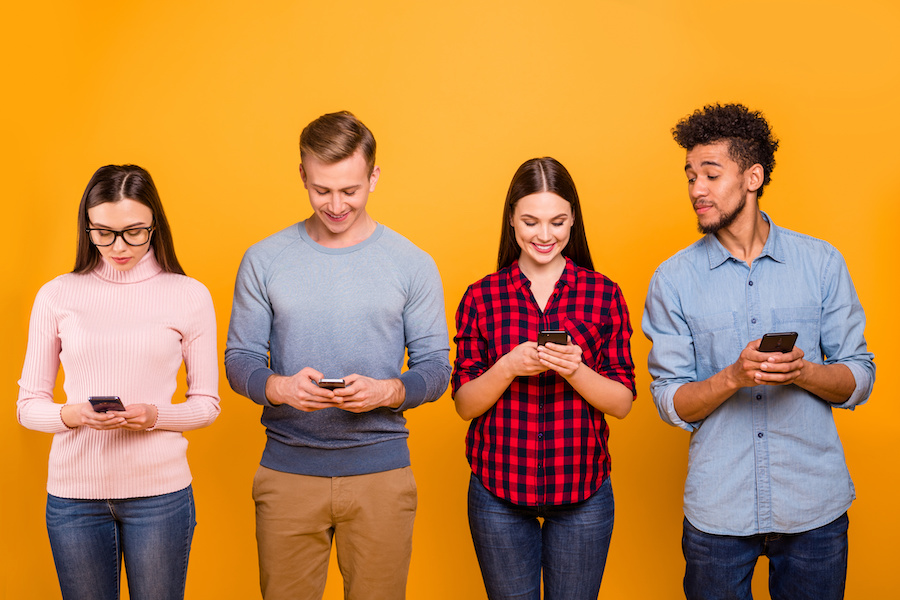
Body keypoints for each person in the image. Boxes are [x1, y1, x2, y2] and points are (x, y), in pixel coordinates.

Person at [642, 103, 876, 600]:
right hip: (718, 513)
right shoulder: (673, 279)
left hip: (814, 507)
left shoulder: (820, 262)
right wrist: (733, 377)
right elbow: (669, 401)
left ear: (753, 177)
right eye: (689, 176)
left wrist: (803, 372)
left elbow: (860, 376)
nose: (696, 190)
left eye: (710, 173)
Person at [224, 110, 451, 600]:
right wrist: (278, 387)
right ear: (302, 175)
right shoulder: (264, 259)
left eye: (350, 190)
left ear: (374, 176)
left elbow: (437, 367)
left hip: (381, 475)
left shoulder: (412, 263)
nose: (336, 204)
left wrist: (390, 390)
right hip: (287, 472)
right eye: (321, 189)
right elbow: (239, 358)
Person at [17, 165, 221, 600]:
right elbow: (28, 405)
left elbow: (207, 404)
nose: (118, 246)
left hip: (160, 496)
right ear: (87, 226)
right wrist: (71, 416)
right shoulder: (57, 295)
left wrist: (154, 416)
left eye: (134, 232)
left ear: (155, 225)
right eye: (103, 232)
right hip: (73, 498)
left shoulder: (189, 294)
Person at [452, 157, 636, 600]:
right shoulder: (482, 295)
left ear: (573, 220)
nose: (545, 235)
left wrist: (575, 369)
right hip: (498, 490)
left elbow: (622, 402)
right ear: (511, 220)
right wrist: (508, 367)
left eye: (558, 221)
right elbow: (465, 405)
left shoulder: (603, 293)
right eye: (530, 221)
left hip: (583, 490)